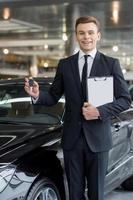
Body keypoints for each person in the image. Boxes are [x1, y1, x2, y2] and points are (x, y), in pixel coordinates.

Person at [24, 16, 131, 200]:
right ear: (76, 36)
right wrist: (37, 95)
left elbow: (125, 99)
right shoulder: (65, 65)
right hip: (72, 141)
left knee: (96, 193)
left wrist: (99, 111)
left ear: (98, 35)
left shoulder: (110, 64)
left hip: (98, 140)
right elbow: (52, 97)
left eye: (90, 32)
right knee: (74, 193)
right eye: (81, 33)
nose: (86, 37)